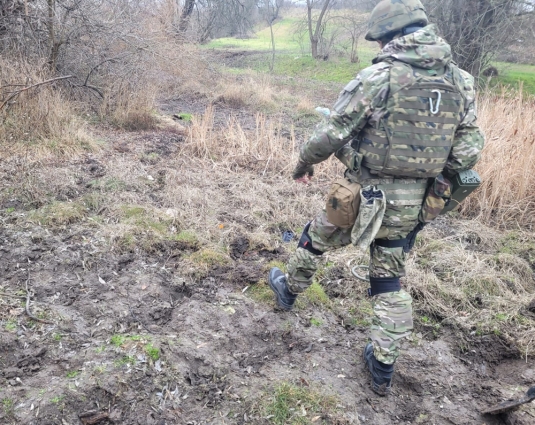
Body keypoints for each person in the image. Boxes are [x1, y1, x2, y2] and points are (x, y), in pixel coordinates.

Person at [268, 0, 485, 396]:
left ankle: (287, 291)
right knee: (388, 277)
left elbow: (331, 134)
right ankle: (383, 364)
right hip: (415, 205)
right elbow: (469, 148)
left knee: (315, 238)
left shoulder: (378, 77)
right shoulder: (461, 80)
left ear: (389, 36)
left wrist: (302, 163)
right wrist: (433, 180)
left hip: (360, 193)